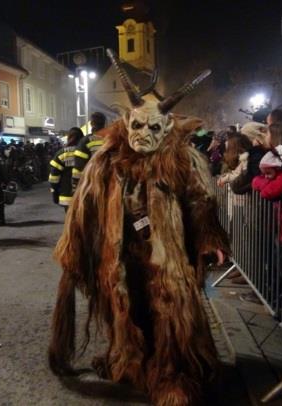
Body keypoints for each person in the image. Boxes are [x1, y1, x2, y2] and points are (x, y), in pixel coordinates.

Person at [49, 49, 230, 405]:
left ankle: (171, 374)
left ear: (166, 128)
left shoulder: (182, 160)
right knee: (125, 303)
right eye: (137, 125)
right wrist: (74, 245)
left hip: (166, 252)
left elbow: (200, 201)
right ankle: (130, 361)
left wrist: (208, 237)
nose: (143, 134)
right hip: (119, 250)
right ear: (126, 121)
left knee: (169, 309)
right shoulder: (106, 159)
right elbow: (84, 205)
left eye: (153, 128)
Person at [49, 127, 84, 211]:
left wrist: (55, 192)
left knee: (70, 221)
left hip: (67, 196)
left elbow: (53, 177)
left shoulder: (62, 153)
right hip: (84, 195)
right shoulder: (85, 153)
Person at [72, 112, 106, 190]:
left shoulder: (85, 141)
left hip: (92, 185)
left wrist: (75, 187)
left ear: (91, 123)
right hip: (112, 185)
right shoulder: (112, 139)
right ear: (104, 124)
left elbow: (78, 167)